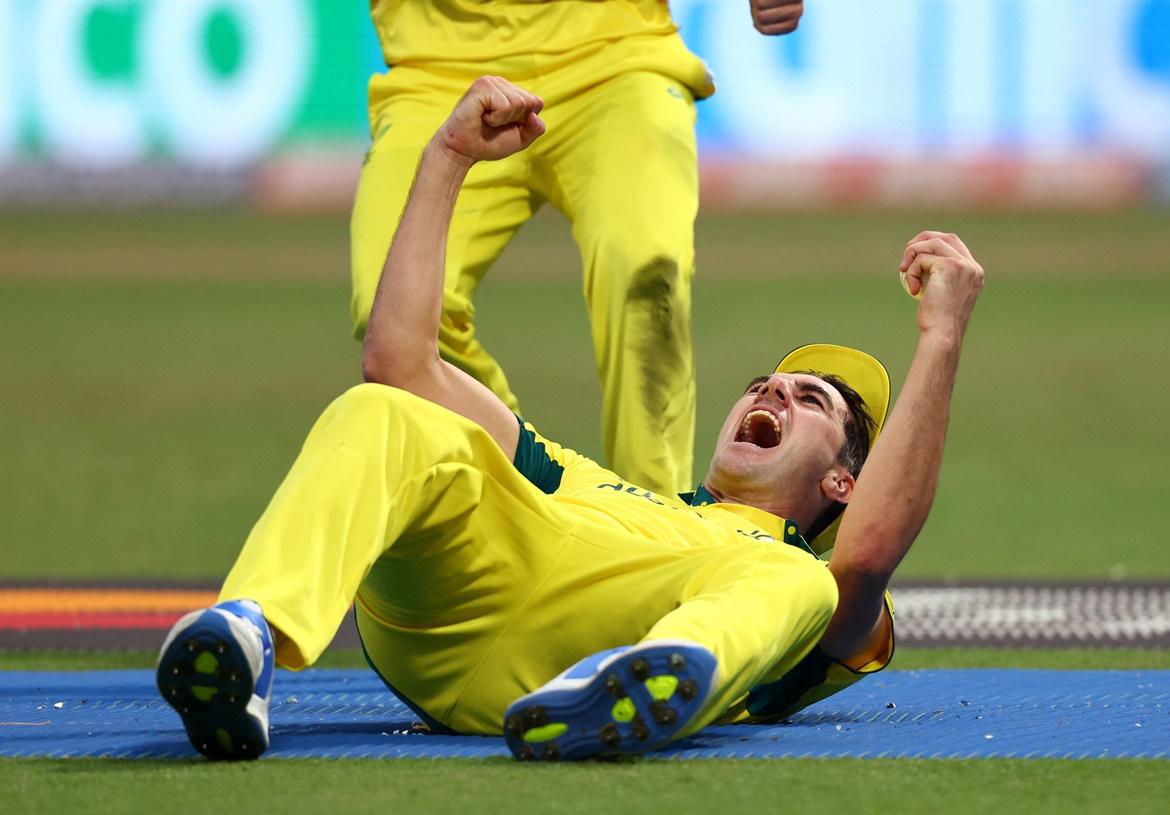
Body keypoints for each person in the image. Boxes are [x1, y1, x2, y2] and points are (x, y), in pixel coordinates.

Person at [156, 77, 984, 761]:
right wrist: (447, 158)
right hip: (457, 608)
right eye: (767, 382)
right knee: (383, 408)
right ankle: (248, 636)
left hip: (596, 648)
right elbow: (401, 362)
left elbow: (869, 547)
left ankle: (644, 679)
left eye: (811, 400)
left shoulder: (813, 592)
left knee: (796, 577)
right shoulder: (590, 484)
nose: (773, 394)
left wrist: (941, 334)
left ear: (844, 479)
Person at [349, 1, 811, 499]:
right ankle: (538, 482)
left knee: (643, 270)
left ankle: (655, 519)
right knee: (393, 307)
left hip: (615, 52)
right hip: (436, 69)